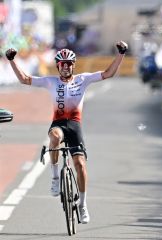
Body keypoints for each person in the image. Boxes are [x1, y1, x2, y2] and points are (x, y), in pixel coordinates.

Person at [5, 41, 128, 224]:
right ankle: (55, 177)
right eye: (63, 64)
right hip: (59, 124)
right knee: (54, 137)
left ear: (73, 65)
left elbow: (108, 73)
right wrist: (11, 60)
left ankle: (83, 205)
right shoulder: (50, 81)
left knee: (80, 165)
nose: (66, 67)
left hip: (75, 126)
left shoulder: (83, 79)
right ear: (58, 66)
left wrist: (121, 53)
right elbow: (24, 79)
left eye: (69, 64)